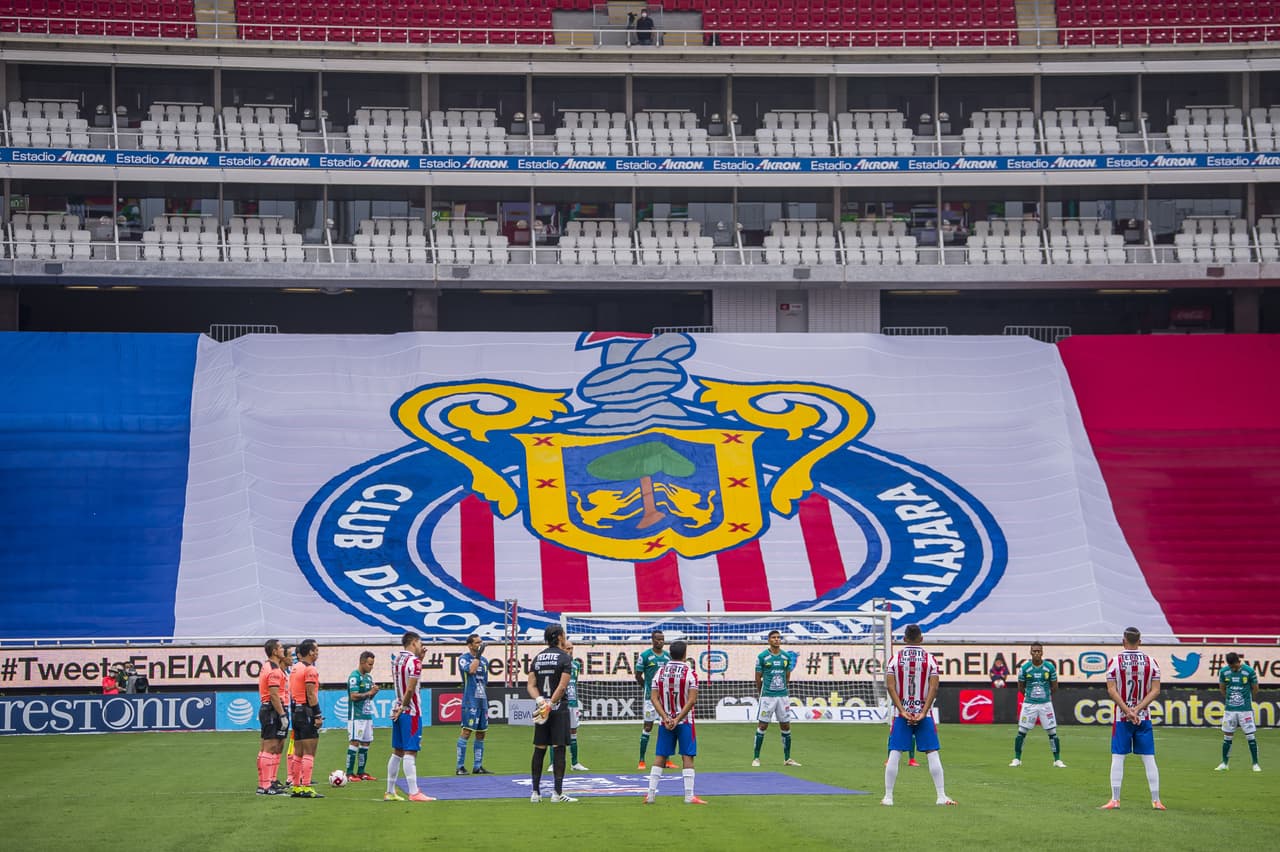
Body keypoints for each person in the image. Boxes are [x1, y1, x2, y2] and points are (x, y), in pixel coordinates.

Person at [882, 623, 955, 807]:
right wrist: (923, 711)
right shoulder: (930, 659)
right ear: (921, 639)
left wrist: (902, 710)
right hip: (924, 714)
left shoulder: (894, 659)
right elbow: (934, 686)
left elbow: (890, 686)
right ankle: (941, 796)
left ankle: (888, 797)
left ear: (904, 639)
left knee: (895, 752)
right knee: (932, 752)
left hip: (901, 714)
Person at [1101, 627, 1164, 810]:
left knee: (1118, 756)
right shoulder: (1151, 662)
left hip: (1122, 717)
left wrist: (1128, 711)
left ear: (1123, 641)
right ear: (1140, 641)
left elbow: (1111, 689)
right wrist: (1137, 709)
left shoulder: (1115, 661)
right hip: (1143, 716)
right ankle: (1156, 800)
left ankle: (1115, 799)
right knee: (1149, 758)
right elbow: (1156, 690)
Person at [645, 640, 706, 805]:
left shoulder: (660, 672)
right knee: (687, 756)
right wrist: (677, 718)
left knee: (660, 756)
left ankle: (650, 795)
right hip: (684, 721)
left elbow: (653, 697)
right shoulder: (690, 673)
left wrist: (665, 717)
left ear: (669, 653)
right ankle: (688, 796)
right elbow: (692, 700)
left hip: (665, 721)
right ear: (685, 654)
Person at [528, 623, 575, 803]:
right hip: (557, 709)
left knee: (539, 748)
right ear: (560, 637)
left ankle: (535, 793)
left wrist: (540, 701)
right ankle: (557, 793)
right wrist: (550, 704)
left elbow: (530, 685)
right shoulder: (564, 658)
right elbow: (562, 687)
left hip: (541, 709)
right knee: (559, 748)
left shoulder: (538, 658)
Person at [387, 631, 435, 802]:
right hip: (411, 710)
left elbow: (405, 680)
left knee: (397, 751)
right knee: (410, 751)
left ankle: (390, 791)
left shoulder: (398, 659)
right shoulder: (413, 662)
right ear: (414, 643)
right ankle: (414, 792)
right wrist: (405, 706)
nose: (421, 646)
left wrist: (400, 706)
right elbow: (410, 688)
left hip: (397, 706)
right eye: (420, 643)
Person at [1010, 643, 1065, 768]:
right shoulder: (1025, 668)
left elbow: (1055, 686)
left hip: (1045, 704)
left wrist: (1046, 696)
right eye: (1034, 651)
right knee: (1022, 731)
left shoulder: (1049, 667)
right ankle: (1017, 759)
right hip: (1029, 704)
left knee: (1052, 732)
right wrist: (1029, 696)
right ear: (1030, 652)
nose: (1036, 653)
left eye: (1038, 651)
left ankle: (1057, 760)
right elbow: (1020, 686)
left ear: (1042, 652)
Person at [752, 630, 801, 767]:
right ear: (768, 640)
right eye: (773, 637)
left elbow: (787, 675)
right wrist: (761, 692)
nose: (776, 640)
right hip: (768, 696)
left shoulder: (786, 656)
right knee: (763, 725)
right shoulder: (762, 656)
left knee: (785, 725)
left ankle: (787, 759)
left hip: (782, 696)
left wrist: (783, 688)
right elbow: (757, 677)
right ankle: (756, 758)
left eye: (778, 637)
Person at [288, 639, 324, 798]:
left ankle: (296, 787)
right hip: (307, 712)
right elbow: (310, 694)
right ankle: (307, 787)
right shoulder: (310, 670)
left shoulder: (295, 668)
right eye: (316, 649)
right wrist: (317, 714)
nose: (317, 652)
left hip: (296, 711)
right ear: (310, 652)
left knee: (298, 753)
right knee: (309, 752)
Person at [255, 639, 290, 795]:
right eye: (281, 647)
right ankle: (264, 785)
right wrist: (282, 714)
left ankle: (269, 782)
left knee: (271, 747)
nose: (283, 650)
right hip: (272, 709)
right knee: (269, 747)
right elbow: (274, 695)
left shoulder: (267, 666)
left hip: (269, 709)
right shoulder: (274, 670)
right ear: (275, 651)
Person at [1215, 651, 1261, 772]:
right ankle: (1224, 763)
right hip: (1230, 710)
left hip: (1245, 710)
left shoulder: (1249, 671)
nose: (1233, 668)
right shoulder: (1224, 672)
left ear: (1238, 662)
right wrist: (1229, 700)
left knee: (1250, 736)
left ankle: (1255, 763)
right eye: (1231, 667)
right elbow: (1222, 688)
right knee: (1227, 736)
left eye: (1234, 666)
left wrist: (1248, 700)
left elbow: (1255, 688)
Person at [456, 633, 493, 775]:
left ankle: (477, 766)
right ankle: (460, 766)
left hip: (482, 700)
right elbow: (471, 671)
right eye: (477, 643)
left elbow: (485, 681)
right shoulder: (463, 659)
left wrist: (480, 657)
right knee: (466, 731)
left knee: (481, 733)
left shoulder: (484, 661)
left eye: (481, 642)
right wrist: (478, 656)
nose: (480, 645)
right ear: (470, 645)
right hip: (469, 700)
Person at [636, 630, 673, 770]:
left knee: (666, 726)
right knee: (648, 726)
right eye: (658, 639)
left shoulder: (667, 657)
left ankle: (667, 760)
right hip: (650, 698)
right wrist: (647, 687)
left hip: (665, 698)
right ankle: (641, 760)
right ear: (652, 640)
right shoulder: (645, 656)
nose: (661, 642)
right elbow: (638, 675)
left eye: (662, 639)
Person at [345, 650, 379, 782]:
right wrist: (369, 692)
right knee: (354, 742)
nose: (371, 667)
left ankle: (361, 772)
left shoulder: (369, 678)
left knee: (366, 743)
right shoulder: (354, 676)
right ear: (362, 662)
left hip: (366, 715)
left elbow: (369, 698)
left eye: (372, 664)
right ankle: (349, 773)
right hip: (356, 716)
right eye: (370, 664)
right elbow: (353, 696)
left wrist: (374, 692)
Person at [565, 640, 588, 771]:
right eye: (568, 648)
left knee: (573, 732)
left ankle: (574, 763)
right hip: (561, 702)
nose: (570, 651)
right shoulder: (560, 663)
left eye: (572, 648)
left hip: (573, 702)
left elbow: (574, 682)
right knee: (557, 732)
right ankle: (553, 763)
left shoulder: (576, 665)